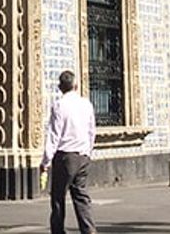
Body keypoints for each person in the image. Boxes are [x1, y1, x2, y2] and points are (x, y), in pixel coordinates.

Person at [40, 71, 97, 234]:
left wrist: (45, 161)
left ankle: (58, 231)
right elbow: (91, 131)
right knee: (81, 197)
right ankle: (89, 230)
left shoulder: (59, 105)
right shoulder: (86, 104)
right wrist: (88, 152)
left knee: (58, 198)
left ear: (60, 87)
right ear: (76, 85)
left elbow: (53, 134)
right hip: (82, 156)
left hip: (65, 157)